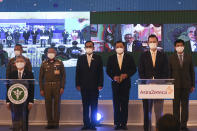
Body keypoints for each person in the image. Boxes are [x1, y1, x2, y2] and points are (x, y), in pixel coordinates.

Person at [138, 34, 169, 131]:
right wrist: (146, 81)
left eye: (154, 41)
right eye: (150, 42)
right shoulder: (143, 56)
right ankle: (147, 129)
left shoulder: (163, 55)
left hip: (160, 86)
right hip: (146, 87)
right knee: (147, 111)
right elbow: (141, 70)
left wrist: (161, 82)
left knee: (158, 111)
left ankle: (159, 128)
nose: (152, 43)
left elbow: (166, 70)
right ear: (148, 43)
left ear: (157, 42)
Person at [106, 41, 137, 130]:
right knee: (116, 104)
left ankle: (123, 123)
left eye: (120, 46)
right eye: (117, 46)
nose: (119, 48)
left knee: (124, 104)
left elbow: (133, 69)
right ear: (115, 48)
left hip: (126, 84)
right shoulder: (111, 58)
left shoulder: (129, 57)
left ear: (124, 47)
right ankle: (116, 123)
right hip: (115, 84)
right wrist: (113, 77)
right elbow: (108, 70)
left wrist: (127, 75)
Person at [76, 41, 104, 130]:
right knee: (85, 106)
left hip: (95, 86)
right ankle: (86, 124)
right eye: (87, 46)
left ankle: (93, 124)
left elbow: (100, 72)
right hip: (84, 86)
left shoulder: (98, 58)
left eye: (90, 46)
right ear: (84, 48)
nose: (88, 48)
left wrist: (100, 84)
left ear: (93, 48)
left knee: (94, 106)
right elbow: (78, 72)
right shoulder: (80, 58)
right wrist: (78, 84)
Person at [169, 39, 195, 131]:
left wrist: (192, 85)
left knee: (185, 106)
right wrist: (169, 85)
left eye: (181, 45)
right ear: (175, 47)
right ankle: (176, 125)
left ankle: (183, 125)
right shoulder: (171, 57)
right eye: (178, 45)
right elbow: (169, 72)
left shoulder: (189, 56)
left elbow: (192, 71)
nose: (179, 47)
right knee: (175, 107)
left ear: (183, 46)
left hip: (186, 86)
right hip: (174, 86)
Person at [39, 48, 66, 129]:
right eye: (49, 52)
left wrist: (62, 87)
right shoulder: (44, 63)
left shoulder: (59, 63)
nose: (51, 54)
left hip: (57, 86)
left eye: (52, 52)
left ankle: (56, 123)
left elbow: (63, 76)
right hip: (47, 86)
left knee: (57, 105)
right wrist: (41, 89)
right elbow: (40, 77)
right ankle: (50, 123)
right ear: (47, 53)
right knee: (48, 105)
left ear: (55, 53)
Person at [6, 55, 34, 131]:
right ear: (15, 64)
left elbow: (32, 88)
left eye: (21, 61)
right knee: (15, 117)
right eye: (17, 61)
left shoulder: (29, 74)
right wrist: (8, 101)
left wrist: (31, 101)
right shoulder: (11, 74)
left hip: (26, 100)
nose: (19, 63)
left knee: (24, 118)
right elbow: (8, 88)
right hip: (14, 101)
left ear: (25, 63)